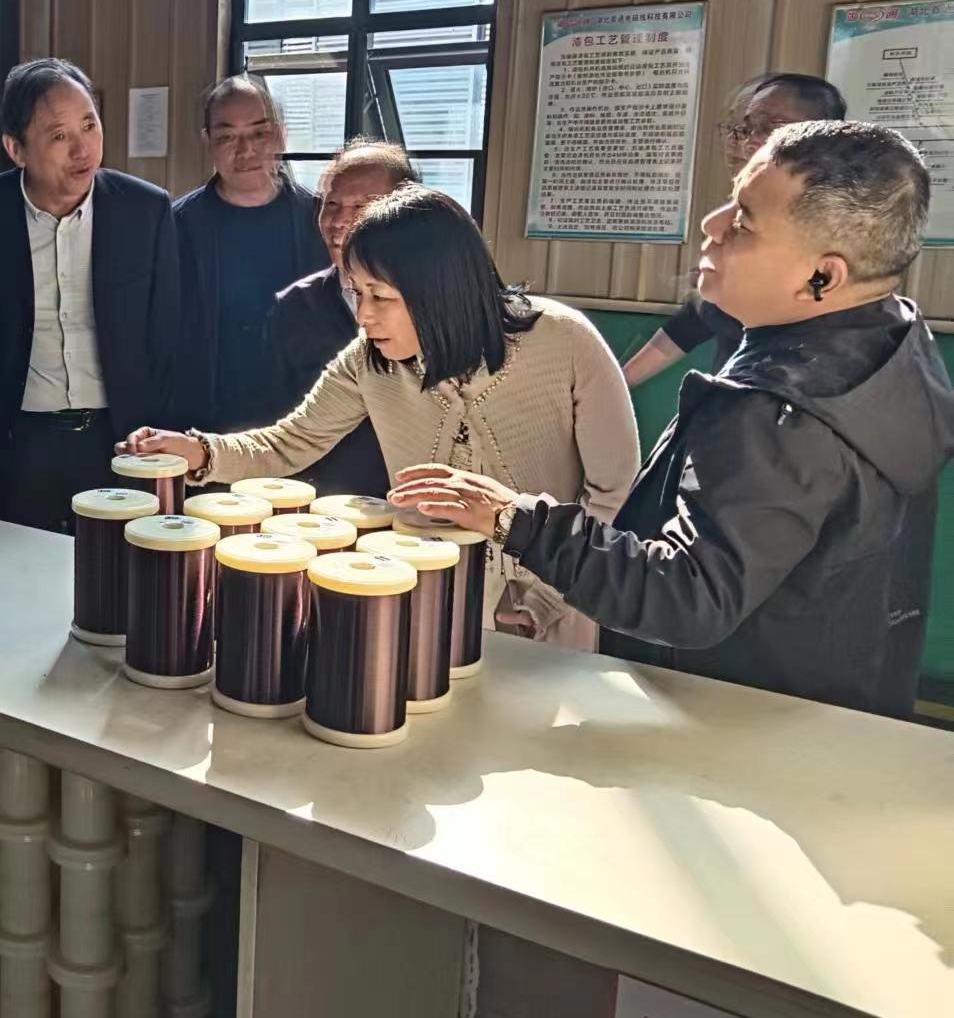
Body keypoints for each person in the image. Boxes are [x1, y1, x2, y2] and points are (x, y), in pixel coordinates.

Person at [390, 123, 951, 718]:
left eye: (744, 222)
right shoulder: (896, 337)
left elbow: (689, 596)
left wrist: (513, 519)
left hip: (743, 721)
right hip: (846, 701)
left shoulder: (778, 413)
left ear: (822, 277)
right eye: (731, 200)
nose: (712, 224)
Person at [121, 185, 640, 649]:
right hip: (425, 600)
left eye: (381, 297)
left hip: (555, 610)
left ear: (440, 291)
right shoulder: (369, 361)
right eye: (358, 293)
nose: (364, 315)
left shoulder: (565, 342)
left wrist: (544, 600)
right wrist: (200, 451)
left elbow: (614, 489)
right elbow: (289, 442)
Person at [0, 58, 178, 534]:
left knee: (116, 565)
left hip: (121, 439)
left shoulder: (144, 209)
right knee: (12, 560)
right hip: (16, 438)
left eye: (89, 125)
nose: (82, 148)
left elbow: (167, 327)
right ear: (16, 149)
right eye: (58, 135)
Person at [624, 72, 846, 385]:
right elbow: (696, 319)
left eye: (769, 127)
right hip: (735, 398)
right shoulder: (746, 208)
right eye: (746, 127)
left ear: (824, 138)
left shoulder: (842, 226)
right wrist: (616, 384)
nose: (749, 141)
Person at [172, 75, 327, 432]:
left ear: (281, 135)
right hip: (204, 420)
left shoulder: (320, 221)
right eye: (227, 137)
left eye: (259, 133)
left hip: (304, 420)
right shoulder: (176, 226)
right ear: (207, 141)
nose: (245, 151)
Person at [265, 140, 417, 495]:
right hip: (325, 505)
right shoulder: (294, 306)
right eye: (331, 204)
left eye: (362, 206)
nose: (339, 221)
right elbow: (275, 426)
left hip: (419, 504)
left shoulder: (435, 303)